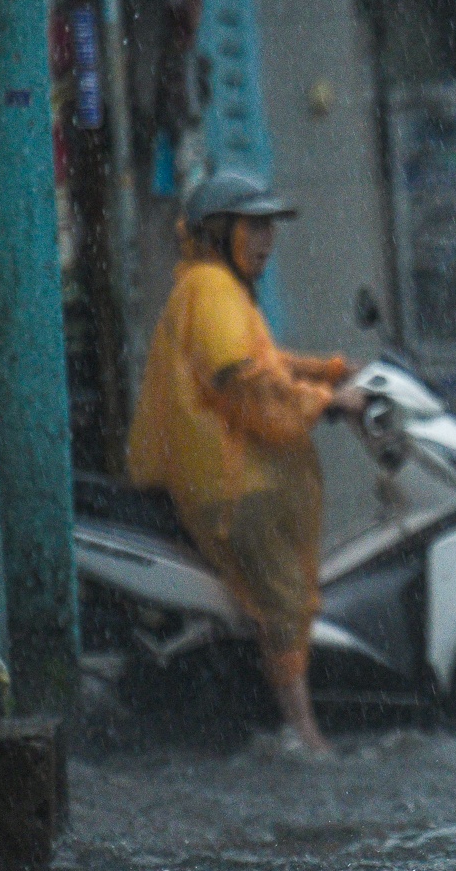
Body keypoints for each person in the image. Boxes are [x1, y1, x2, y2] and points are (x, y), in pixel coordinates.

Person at [126, 167, 366, 755]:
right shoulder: (209, 289)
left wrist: (327, 371)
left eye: (269, 227)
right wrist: (328, 401)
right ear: (217, 232)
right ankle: (305, 735)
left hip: (236, 476)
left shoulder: (218, 291)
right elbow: (242, 381)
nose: (267, 240)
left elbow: (266, 361)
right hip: (229, 484)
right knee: (284, 599)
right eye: (254, 226)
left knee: (286, 594)